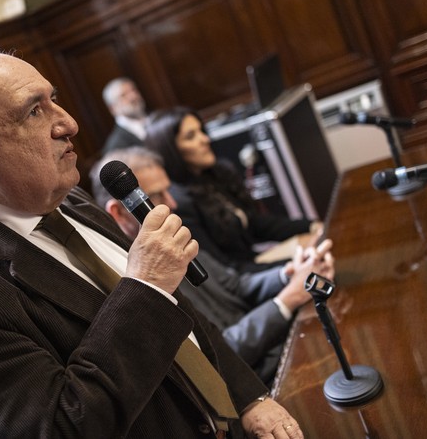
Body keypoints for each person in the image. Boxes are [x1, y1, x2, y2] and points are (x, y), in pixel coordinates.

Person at [0, 52, 305, 439]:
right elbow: (60, 427)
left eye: (53, 100)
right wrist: (145, 287)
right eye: (34, 112)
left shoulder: (71, 199)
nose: (69, 124)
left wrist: (248, 396)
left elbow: (181, 312)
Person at [90, 146, 335, 385]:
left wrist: (289, 273)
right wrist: (288, 298)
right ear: (119, 213)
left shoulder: (170, 237)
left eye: (169, 191)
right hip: (252, 381)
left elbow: (236, 284)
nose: (172, 204)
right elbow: (217, 353)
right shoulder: (134, 284)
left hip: (274, 349)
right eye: (155, 196)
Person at [144, 106, 323, 273]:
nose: (205, 139)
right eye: (191, 136)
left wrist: (311, 225)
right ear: (172, 151)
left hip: (255, 263)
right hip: (244, 277)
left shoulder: (217, 174)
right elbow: (226, 270)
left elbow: (257, 224)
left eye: (201, 131)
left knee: (320, 242)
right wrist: (290, 265)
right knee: (317, 257)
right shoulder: (179, 204)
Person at [101, 77, 149, 153]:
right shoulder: (116, 147)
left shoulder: (161, 119)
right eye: (123, 95)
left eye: (134, 90)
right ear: (113, 108)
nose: (133, 97)